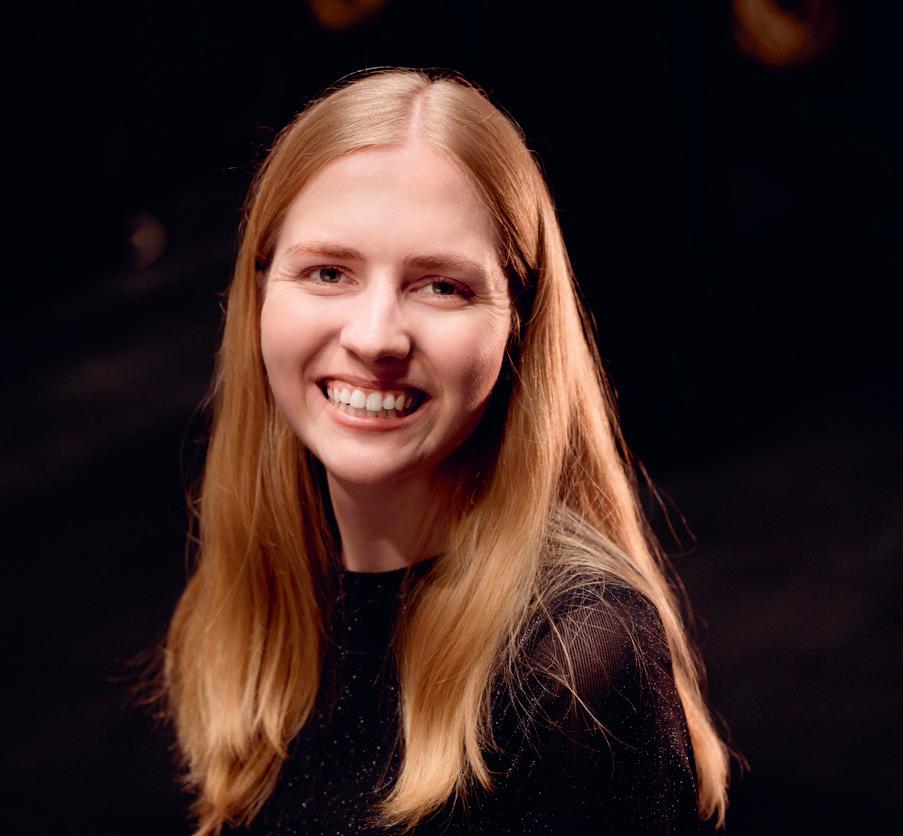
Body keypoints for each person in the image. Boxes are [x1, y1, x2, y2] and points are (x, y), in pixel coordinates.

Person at [161, 67, 733, 835]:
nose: (374, 338)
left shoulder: (577, 657)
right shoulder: (263, 598)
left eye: (441, 287)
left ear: (518, 323)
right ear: (258, 294)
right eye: (328, 272)